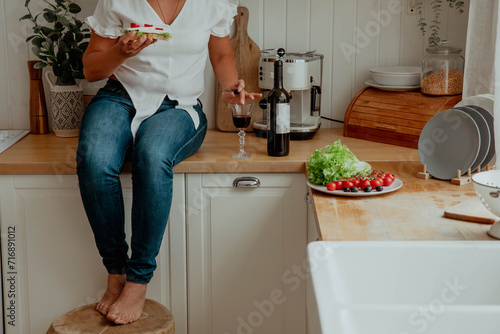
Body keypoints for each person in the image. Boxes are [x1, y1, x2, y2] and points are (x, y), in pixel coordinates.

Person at [77, 0, 261, 325]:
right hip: (121, 98)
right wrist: (121, 51)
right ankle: (116, 272)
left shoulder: (212, 4)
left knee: (153, 154)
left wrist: (231, 87)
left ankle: (138, 280)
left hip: (180, 106)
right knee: (95, 159)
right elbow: (91, 69)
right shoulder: (118, 2)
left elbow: (220, 54)